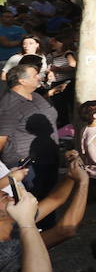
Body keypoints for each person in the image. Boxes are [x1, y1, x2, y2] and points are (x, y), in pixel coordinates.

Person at [0, 63, 60, 198]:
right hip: (27, 165)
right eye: (35, 75)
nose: (39, 77)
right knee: (37, 202)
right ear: (22, 80)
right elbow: (1, 138)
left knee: (49, 197)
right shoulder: (9, 105)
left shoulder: (36, 96)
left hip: (49, 157)